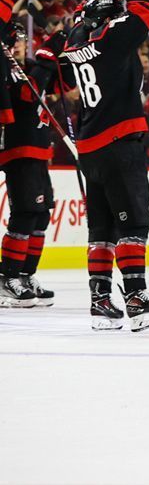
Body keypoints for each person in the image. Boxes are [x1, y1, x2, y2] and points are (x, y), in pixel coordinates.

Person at [56, 0, 149, 331]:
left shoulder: (76, 42)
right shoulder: (111, 38)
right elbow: (144, 9)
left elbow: (75, 35)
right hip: (118, 141)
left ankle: (100, 301)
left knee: (102, 229)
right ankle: (137, 298)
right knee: (134, 222)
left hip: (90, 148)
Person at [0, 19, 62, 308]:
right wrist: (48, 56)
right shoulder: (7, 71)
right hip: (18, 150)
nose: (25, 44)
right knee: (25, 213)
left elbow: (58, 82)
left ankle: (26, 274)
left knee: (41, 215)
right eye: (20, 40)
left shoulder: (24, 69)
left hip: (38, 150)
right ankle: (7, 277)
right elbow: (27, 96)